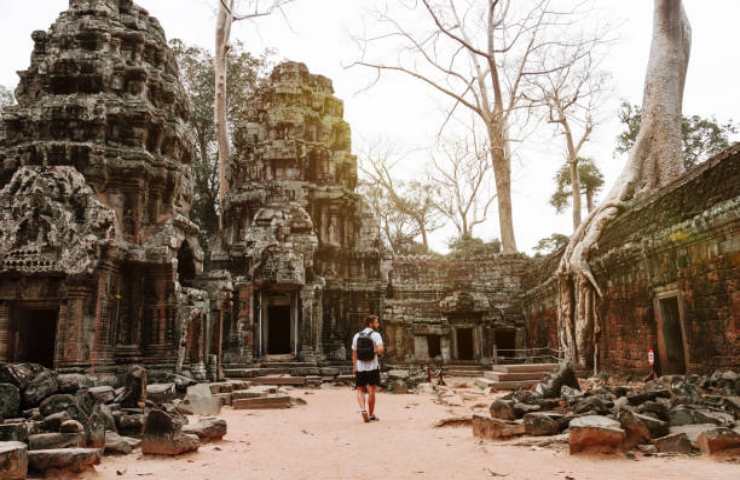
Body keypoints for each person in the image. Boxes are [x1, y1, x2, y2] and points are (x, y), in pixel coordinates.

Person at [352, 314, 384, 423]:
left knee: (360, 389)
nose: (378, 324)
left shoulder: (357, 335)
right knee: (371, 391)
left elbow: (354, 353)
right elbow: (380, 350)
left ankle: (362, 410)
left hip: (360, 367)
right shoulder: (376, 335)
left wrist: (354, 366)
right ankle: (371, 415)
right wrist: (373, 350)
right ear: (371, 324)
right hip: (372, 366)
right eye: (376, 322)